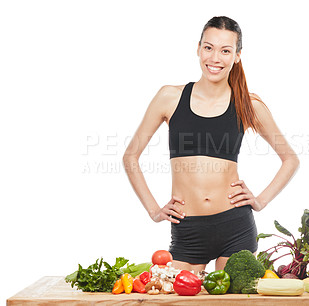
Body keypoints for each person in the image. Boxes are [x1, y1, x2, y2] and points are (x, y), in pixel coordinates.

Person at [123, 16, 299, 273]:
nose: (215, 58)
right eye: (209, 47)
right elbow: (130, 157)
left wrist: (260, 201)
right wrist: (153, 210)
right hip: (188, 230)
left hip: (235, 226)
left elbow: (290, 159)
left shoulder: (248, 104)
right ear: (198, 48)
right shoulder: (169, 97)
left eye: (225, 50)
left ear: (237, 56)